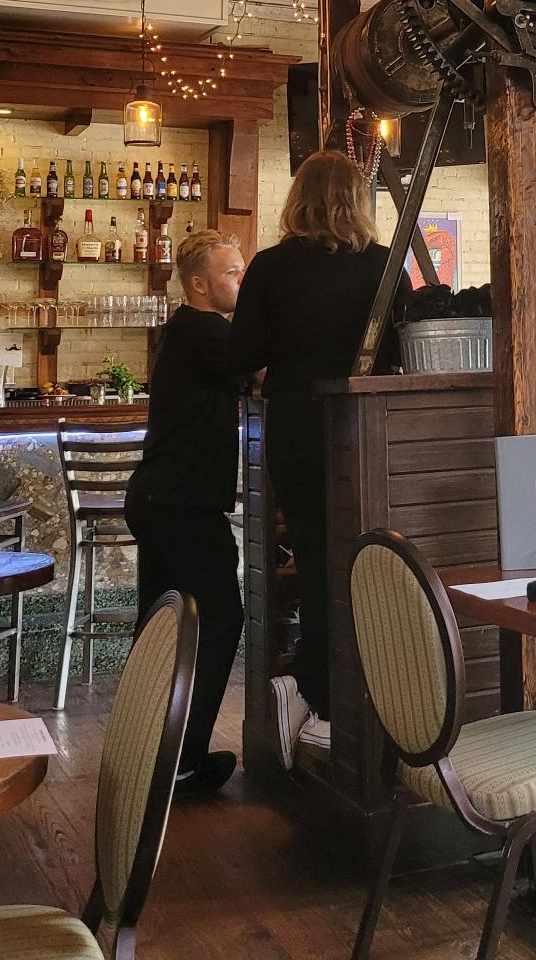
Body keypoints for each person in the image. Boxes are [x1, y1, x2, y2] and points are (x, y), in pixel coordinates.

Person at [229, 149, 390, 768]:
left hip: (295, 425)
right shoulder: (382, 265)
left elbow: (239, 355)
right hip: (364, 427)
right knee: (366, 560)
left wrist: (281, 358)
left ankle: (317, 699)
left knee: (319, 560)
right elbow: (401, 350)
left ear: (298, 197)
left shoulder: (269, 268)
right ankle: (363, 697)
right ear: (360, 199)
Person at [125, 228, 247, 797]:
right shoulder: (205, 331)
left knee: (162, 631)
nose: (241, 282)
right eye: (233, 274)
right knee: (221, 622)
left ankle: (150, 752)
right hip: (182, 506)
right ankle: (184, 760)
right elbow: (268, 372)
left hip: (160, 501)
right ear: (200, 285)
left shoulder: (189, 330)